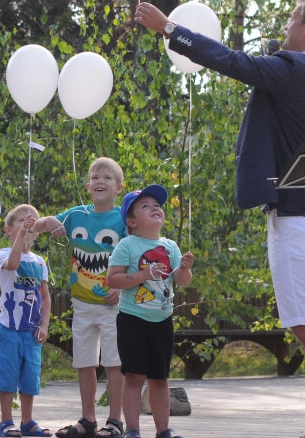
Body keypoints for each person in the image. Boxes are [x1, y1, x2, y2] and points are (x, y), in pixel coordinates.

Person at [135, 0, 305, 438]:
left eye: (293, 18)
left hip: (298, 218)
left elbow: (232, 62)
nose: (288, 26)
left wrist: (169, 29)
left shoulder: (293, 69)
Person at [35, 158, 125, 438]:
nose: (100, 181)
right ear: (87, 186)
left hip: (113, 306)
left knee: (114, 362)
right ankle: (88, 420)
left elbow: (136, 255)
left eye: (107, 178)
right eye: (95, 177)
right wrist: (50, 221)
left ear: (119, 187)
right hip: (82, 305)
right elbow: (39, 226)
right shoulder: (75, 214)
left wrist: (121, 288)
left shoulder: (124, 218)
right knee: (85, 362)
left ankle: (115, 421)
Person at [106, 187, 194, 438]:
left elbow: (181, 280)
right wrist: (144, 274)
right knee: (133, 376)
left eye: (156, 204)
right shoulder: (127, 245)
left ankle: (163, 430)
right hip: (133, 320)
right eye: (145, 206)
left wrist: (185, 268)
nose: (155, 207)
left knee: (160, 378)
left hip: (162, 321)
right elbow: (112, 279)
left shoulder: (170, 246)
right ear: (131, 221)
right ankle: (132, 430)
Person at [0, 205, 51, 438]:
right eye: (22, 221)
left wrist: (44, 324)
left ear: (37, 232)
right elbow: (14, 265)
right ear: (8, 229)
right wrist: (20, 239)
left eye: (33, 222)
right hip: (9, 328)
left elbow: (45, 297)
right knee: (7, 374)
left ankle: (27, 422)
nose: (28, 224)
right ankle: (6, 422)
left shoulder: (39, 262)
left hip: (32, 330)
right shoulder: (4, 254)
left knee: (30, 376)